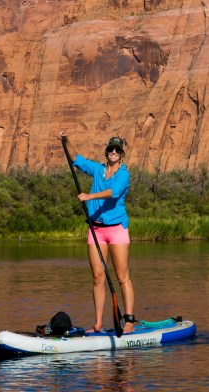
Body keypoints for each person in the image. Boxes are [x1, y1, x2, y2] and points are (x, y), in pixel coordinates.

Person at [57, 131, 136, 334]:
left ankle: (128, 321)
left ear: (121, 154)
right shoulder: (97, 169)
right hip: (96, 230)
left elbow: (114, 193)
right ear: (106, 151)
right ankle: (99, 323)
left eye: (117, 149)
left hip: (117, 229)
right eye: (110, 148)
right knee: (97, 277)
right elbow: (76, 159)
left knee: (121, 276)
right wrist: (67, 140)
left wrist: (89, 196)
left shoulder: (124, 174)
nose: (113, 152)